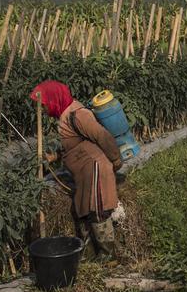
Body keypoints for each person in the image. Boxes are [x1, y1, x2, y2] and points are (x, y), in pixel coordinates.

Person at [30, 80, 123, 260]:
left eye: (44, 104)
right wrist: (54, 157)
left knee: (98, 209)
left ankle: (108, 256)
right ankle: (91, 253)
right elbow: (73, 145)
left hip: (95, 167)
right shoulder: (64, 115)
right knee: (84, 210)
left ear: (54, 99)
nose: (43, 109)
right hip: (84, 172)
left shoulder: (78, 114)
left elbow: (102, 135)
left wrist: (115, 159)